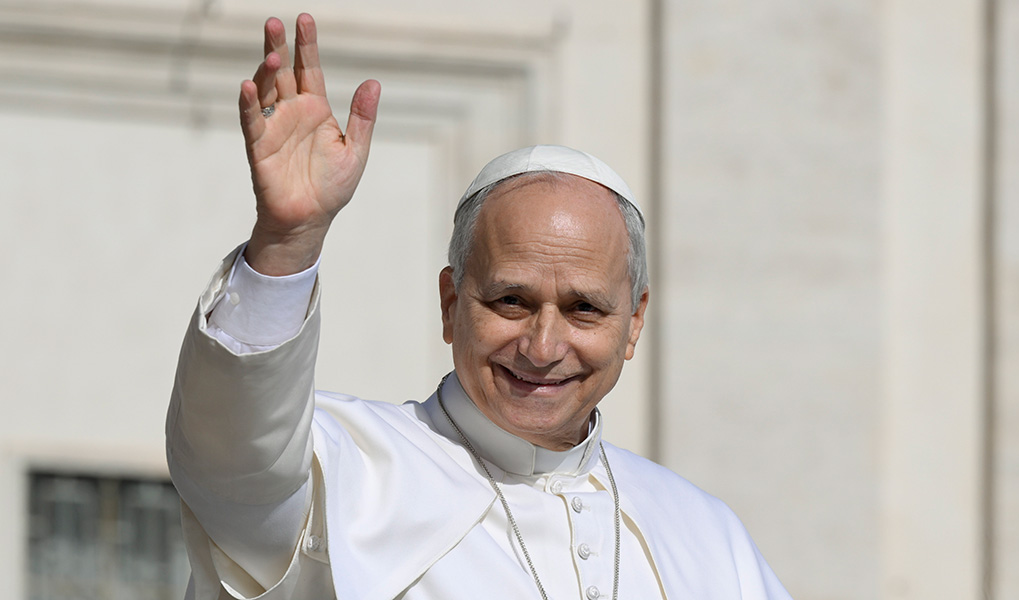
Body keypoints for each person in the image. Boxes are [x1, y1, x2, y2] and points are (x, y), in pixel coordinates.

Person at [165, 13, 792, 600]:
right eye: (512, 301)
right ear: (450, 302)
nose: (543, 347)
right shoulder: (344, 473)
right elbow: (233, 460)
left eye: (584, 310)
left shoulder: (709, 538)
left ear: (634, 324)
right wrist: (287, 242)